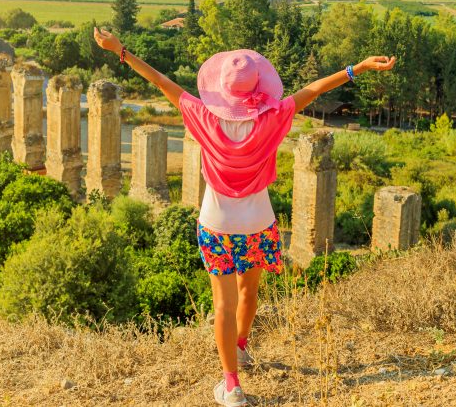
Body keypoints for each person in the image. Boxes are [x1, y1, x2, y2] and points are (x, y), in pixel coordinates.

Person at [93, 26, 395, 407]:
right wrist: (359, 69)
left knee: (223, 304)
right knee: (249, 292)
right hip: (258, 222)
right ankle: (241, 346)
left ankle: (231, 385)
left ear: (221, 89)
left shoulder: (202, 116)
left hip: (216, 223)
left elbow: (160, 80)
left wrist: (120, 50)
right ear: (257, 87)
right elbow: (314, 89)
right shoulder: (273, 117)